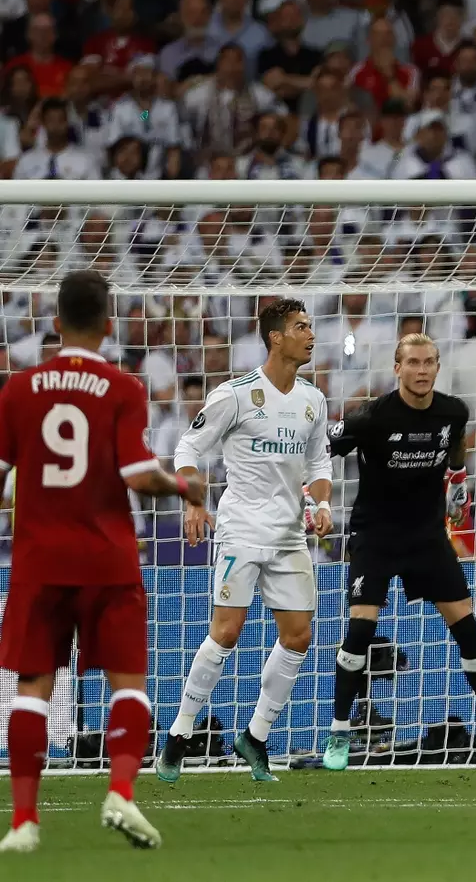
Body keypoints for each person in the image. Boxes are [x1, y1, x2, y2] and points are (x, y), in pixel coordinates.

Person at [0, 271, 206, 853]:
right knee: (128, 683)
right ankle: (119, 791)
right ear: (110, 325)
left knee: (33, 687)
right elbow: (137, 475)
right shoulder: (122, 388)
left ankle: (22, 824)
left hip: (39, 561)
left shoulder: (18, 390)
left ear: (56, 322)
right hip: (107, 560)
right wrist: (185, 488)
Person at [320, 334, 476, 769]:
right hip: (376, 536)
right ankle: (339, 733)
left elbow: (455, 447)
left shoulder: (453, 410)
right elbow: (321, 448)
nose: (421, 370)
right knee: (359, 633)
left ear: (438, 368)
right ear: (397, 369)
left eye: (429, 363)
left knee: (470, 632)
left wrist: (458, 484)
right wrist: (318, 498)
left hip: (427, 537)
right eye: (413, 363)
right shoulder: (371, 417)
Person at [156, 299, 334, 784]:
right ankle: (179, 733)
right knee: (227, 631)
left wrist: (322, 506)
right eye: (301, 327)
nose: (310, 334)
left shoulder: (313, 401)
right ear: (275, 337)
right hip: (241, 529)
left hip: (290, 533)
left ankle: (254, 737)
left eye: (310, 326)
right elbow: (188, 446)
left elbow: (319, 462)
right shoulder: (236, 395)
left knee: (299, 635)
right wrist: (194, 502)